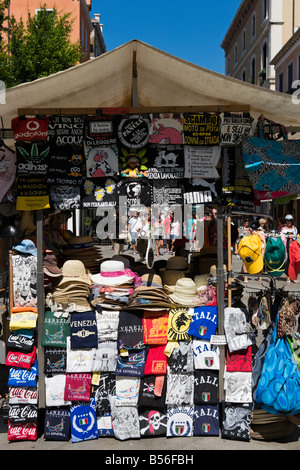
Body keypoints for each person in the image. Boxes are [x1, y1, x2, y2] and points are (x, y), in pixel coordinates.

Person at [280, 214, 298, 283]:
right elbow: (282, 238)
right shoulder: (283, 229)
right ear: (285, 221)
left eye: (290, 221)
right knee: (288, 260)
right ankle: (288, 276)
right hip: (287, 246)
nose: (289, 222)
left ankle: (294, 276)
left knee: (294, 261)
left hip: (294, 246)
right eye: (288, 221)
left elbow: (296, 237)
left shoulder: (294, 229)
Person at [235, 217, 253, 283]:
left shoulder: (251, 230)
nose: (247, 222)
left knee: (245, 262)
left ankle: (241, 274)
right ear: (243, 222)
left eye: (248, 221)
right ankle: (245, 277)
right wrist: (236, 249)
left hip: (248, 248)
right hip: (241, 248)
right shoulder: (239, 229)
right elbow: (237, 239)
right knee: (245, 262)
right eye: (245, 221)